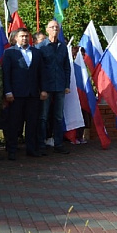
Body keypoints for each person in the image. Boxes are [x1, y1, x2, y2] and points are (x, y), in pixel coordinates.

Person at [2, 27, 42, 160]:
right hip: (16, 94)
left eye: (26, 36)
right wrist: (8, 92)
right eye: (22, 36)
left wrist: (43, 90)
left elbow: (41, 73)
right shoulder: (9, 53)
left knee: (32, 123)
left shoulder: (36, 52)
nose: (24, 38)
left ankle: (31, 148)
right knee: (14, 123)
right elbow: (6, 74)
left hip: (33, 94)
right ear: (16, 38)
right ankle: (12, 150)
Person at [36, 20, 72, 155]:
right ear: (47, 30)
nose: (55, 29)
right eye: (52, 27)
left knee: (58, 117)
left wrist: (67, 85)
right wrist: (42, 88)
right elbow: (38, 70)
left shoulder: (63, 47)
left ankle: (58, 143)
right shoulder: (40, 47)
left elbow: (67, 67)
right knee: (43, 116)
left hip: (60, 86)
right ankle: (41, 144)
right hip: (46, 87)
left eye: (57, 27)